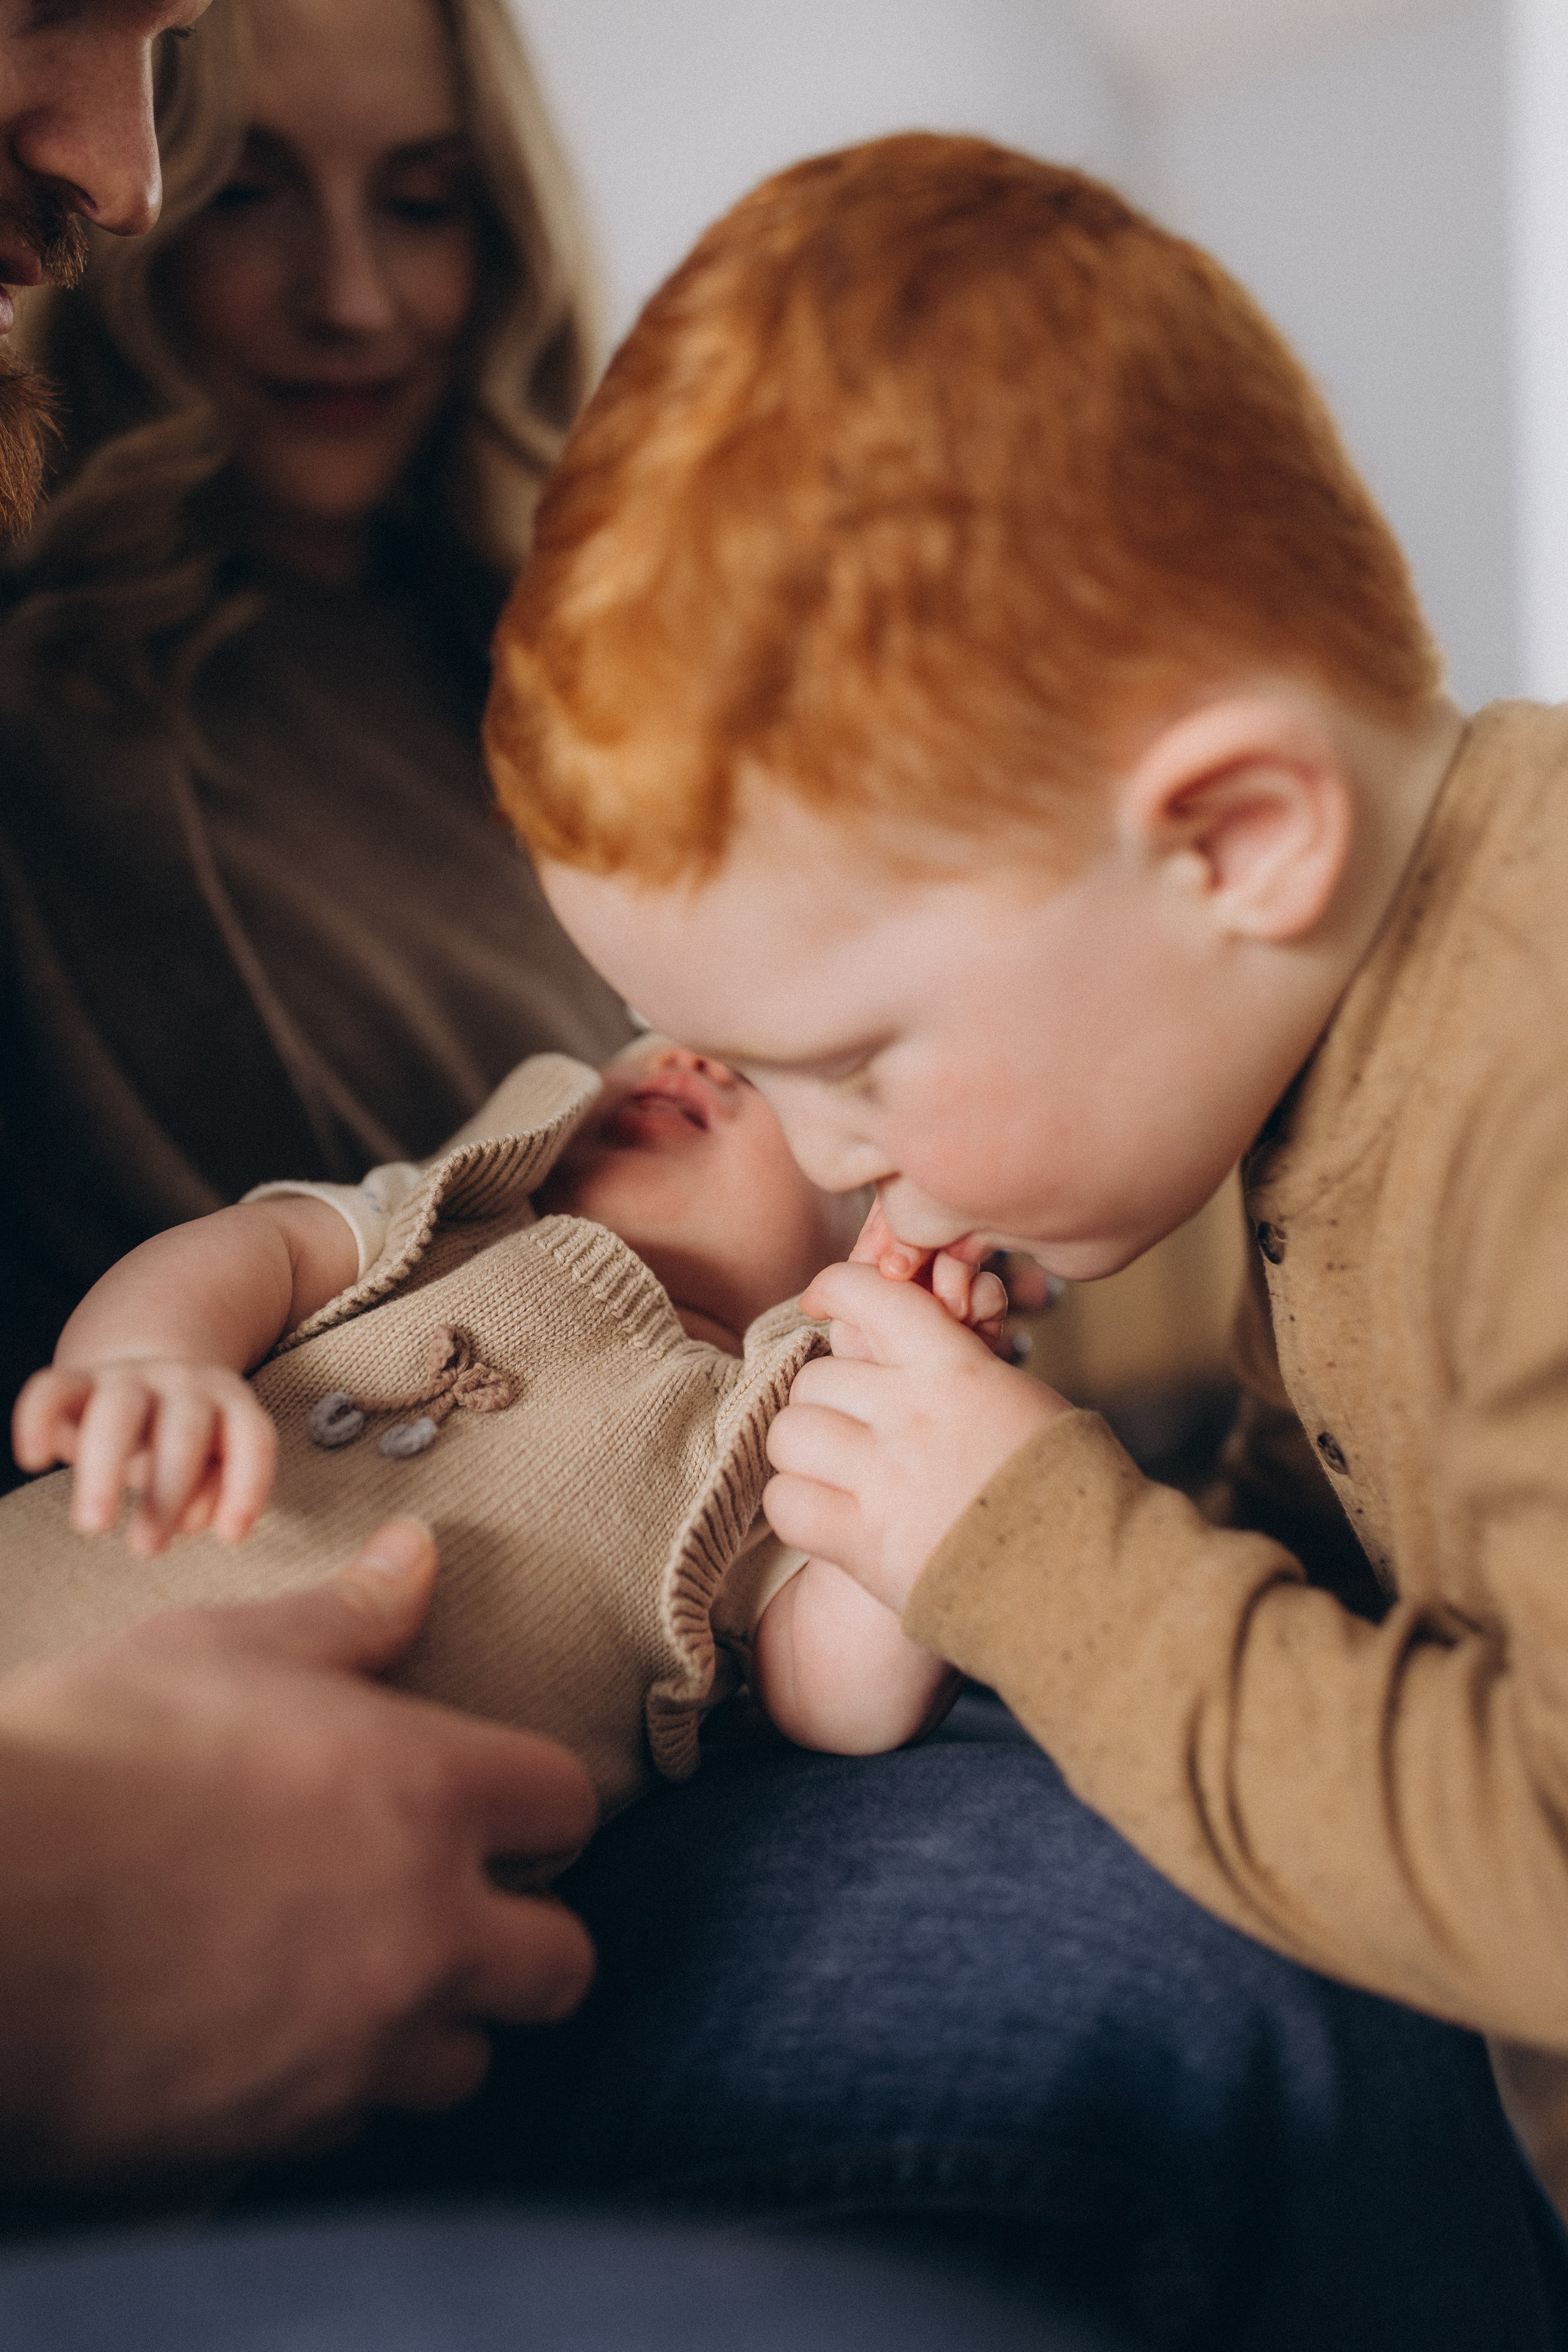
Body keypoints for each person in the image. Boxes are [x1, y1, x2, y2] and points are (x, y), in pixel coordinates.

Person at [473, 129, 1568, 2329]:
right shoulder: (1349, 1047)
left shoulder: (1533, 1106)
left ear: (1236, 841)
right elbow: (1347, 1555)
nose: (834, 1161)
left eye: (858, 1065)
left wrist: (1039, 1552)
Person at [0, 0, 631, 1449]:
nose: (349, 298)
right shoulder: (51, 727)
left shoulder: (576, 680)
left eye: (421, 203)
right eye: (246, 193)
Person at [8, 1036, 971, 1766]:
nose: (689, 1055)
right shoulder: (438, 1219)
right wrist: (153, 1356)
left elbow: (838, 1699)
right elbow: (263, 1249)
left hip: (316, 1847)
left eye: (760, 1077)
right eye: (650, 1035)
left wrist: (916, 1435)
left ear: (866, 1248)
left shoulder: (770, 1445)